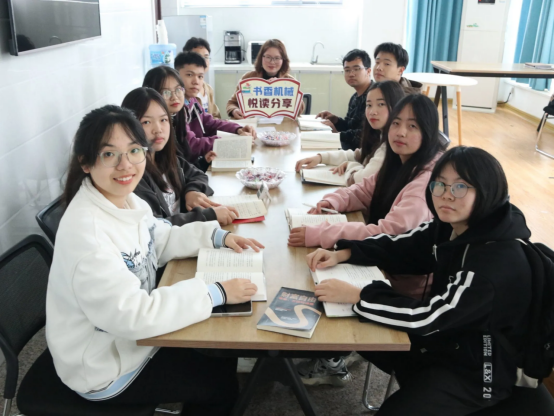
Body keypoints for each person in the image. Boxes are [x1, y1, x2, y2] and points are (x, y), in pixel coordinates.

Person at [46, 105, 264, 414]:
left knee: (219, 351)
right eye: (109, 154)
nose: (125, 165)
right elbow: (134, 315)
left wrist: (217, 236)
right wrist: (215, 292)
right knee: (218, 383)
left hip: (132, 340)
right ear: (85, 162)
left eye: (134, 150)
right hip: (105, 367)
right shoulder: (88, 236)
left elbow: (158, 239)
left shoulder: (125, 199)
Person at [306, 146, 533, 415]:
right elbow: (402, 245)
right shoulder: (451, 225)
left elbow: (430, 317)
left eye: (461, 187)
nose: (447, 195)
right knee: (359, 332)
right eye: (440, 184)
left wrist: (360, 296)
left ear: (487, 191)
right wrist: (346, 252)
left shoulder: (494, 261)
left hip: (479, 371)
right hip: (447, 342)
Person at [289, 94, 445, 252]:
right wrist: (333, 201)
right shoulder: (399, 160)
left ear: (428, 132)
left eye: (412, 126)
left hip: (397, 264)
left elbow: (388, 234)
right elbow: (364, 190)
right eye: (396, 123)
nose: (401, 132)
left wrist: (323, 234)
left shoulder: (425, 183)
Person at [122, 87, 239, 226]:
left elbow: (197, 174)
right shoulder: (133, 175)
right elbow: (155, 228)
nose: (158, 129)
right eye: (146, 122)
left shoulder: (165, 158)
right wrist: (207, 215)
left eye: (163, 120)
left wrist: (192, 191)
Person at [142, 65, 255, 172]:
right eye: (165, 92)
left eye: (178, 90)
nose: (174, 97)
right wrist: (231, 141)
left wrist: (237, 129)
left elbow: (210, 123)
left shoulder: (185, 107)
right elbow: (191, 146)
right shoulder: (173, 117)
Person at [295, 81, 405, 185]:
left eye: (381, 104)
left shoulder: (389, 146)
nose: (372, 112)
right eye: (369, 105)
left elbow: (360, 180)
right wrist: (320, 158)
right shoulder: (379, 136)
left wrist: (350, 165)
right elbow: (357, 155)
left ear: (397, 106)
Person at [226, 39, 304, 119]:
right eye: (268, 57)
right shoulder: (248, 79)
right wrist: (234, 110)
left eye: (277, 58)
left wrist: (282, 87)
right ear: (261, 58)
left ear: (283, 60)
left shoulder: (290, 81)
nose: (272, 62)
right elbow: (232, 103)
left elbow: (299, 109)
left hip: (281, 124)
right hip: (253, 123)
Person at [315, 49, 373, 151]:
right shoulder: (355, 97)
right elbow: (350, 126)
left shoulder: (374, 97)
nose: (351, 74)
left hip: (363, 153)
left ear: (368, 71)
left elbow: (367, 135)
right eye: (347, 70)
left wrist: (337, 134)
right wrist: (335, 120)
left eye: (356, 69)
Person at [182, 37, 221, 119]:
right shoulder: (184, 92)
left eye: (206, 57)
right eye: (198, 56)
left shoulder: (208, 89)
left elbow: (215, 116)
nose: (203, 61)